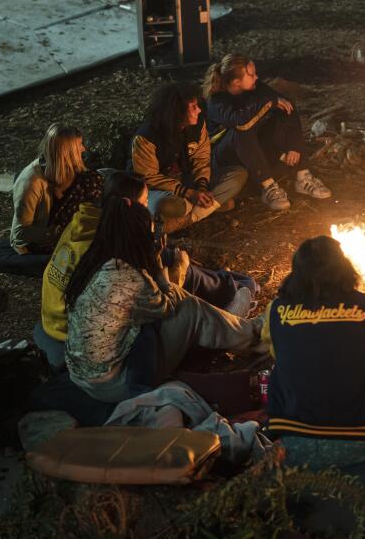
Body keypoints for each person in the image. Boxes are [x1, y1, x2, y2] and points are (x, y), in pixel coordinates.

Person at [35, 171, 256, 370]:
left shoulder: (85, 222)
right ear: (126, 207)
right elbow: (165, 304)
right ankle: (241, 318)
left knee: (172, 263)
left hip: (58, 322)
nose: (148, 210)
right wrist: (177, 269)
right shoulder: (114, 258)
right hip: (75, 337)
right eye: (144, 203)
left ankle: (231, 288)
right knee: (188, 305)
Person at [63, 191, 262, 404]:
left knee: (180, 302)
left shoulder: (96, 262)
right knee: (189, 307)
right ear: (140, 234)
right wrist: (160, 266)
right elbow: (167, 306)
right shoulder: (130, 276)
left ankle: (230, 327)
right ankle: (257, 335)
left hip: (83, 377)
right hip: (116, 384)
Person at [265, 236, 365, 531]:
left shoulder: (277, 310)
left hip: (294, 444)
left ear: (296, 271)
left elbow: (281, 359)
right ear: (344, 268)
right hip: (359, 443)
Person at [203, 54, 331, 212]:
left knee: (282, 111)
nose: (256, 77)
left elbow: (285, 105)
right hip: (226, 158)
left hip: (252, 148)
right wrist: (268, 102)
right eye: (251, 75)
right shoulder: (216, 102)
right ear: (236, 82)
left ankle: (303, 176)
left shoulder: (254, 87)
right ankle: (269, 187)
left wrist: (294, 145)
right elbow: (240, 121)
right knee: (241, 130)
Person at [0, 123, 101, 277]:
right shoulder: (31, 181)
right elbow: (19, 233)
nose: (84, 149)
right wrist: (55, 233)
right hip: (43, 241)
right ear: (67, 152)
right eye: (79, 145)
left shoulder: (75, 170)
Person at [131, 82, 247, 233]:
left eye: (197, 105)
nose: (199, 110)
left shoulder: (197, 125)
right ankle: (210, 207)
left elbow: (202, 159)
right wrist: (189, 194)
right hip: (159, 190)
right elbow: (148, 177)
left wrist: (202, 188)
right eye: (193, 107)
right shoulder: (146, 137)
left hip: (188, 181)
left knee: (238, 174)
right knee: (168, 206)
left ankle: (187, 218)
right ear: (176, 112)